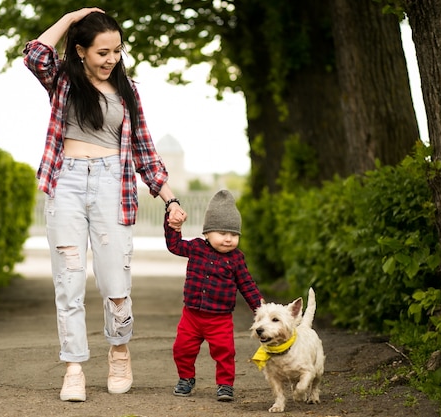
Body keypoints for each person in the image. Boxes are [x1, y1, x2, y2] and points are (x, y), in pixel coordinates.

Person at [23, 8, 187, 402]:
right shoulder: (62, 80)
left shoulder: (128, 90)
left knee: (116, 281)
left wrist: (170, 199)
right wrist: (71, 15)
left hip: (114, 183)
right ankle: (74, 368)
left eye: (117, 50)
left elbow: (145, 152)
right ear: (80, 51)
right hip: (67, 183)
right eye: (102, 52)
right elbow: (35, 54)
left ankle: (118, 352)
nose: (111, 59)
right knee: (69, 280)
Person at [164, 189, 263, 402]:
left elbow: (247, 285)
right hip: (191, 315)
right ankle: (186, 378)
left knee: (225, 351)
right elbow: (174, 246)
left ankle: (225, 384)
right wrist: (173, 226)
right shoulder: (196, 248)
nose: (228, 239)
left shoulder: (236, 259)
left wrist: (262, 309)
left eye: (234, 235)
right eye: (222, 233)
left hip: (220, 318)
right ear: (207, 233)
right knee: (182, 349)